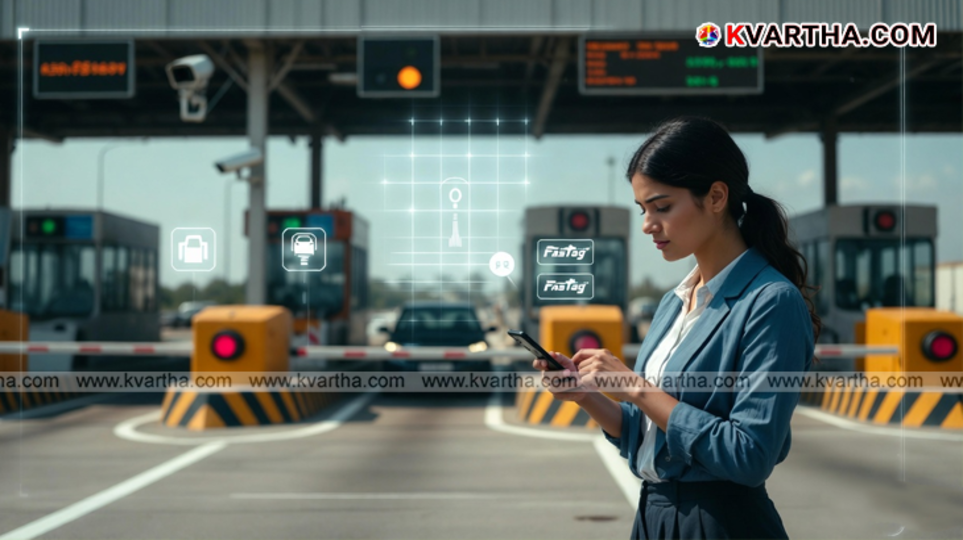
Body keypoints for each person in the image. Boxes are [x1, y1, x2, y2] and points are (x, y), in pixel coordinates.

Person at [532, 116, 821, 540]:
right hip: (654, 516)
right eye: (643, 209)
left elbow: (750, 455)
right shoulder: (674, 303)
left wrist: (635, 387)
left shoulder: (770, 302)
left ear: (717, 196)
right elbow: (650, 434)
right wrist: (588, 396)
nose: (648, 224)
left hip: (721, 523)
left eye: (662, 207)